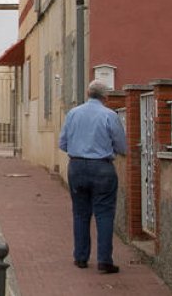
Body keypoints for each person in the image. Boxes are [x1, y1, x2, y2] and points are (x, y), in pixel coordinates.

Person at [58, 79, 128, 274]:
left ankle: (81, 257)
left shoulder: (73, 114)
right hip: (102, 168)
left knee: (80, 213)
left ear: (88, 93)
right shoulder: (110, 115)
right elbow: (122, 146)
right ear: (105, 97)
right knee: (104, 214)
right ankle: (104, 260)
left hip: (77, 166)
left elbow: (62, 143)